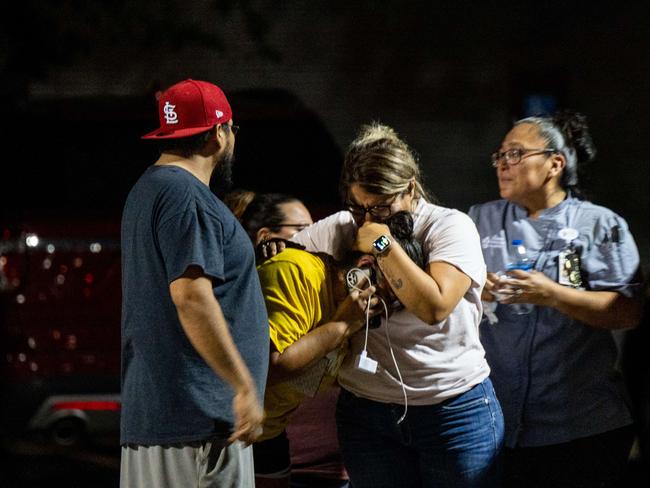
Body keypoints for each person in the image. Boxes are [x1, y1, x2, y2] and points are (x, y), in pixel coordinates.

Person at [291, 123, 504, 488]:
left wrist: (381, 245)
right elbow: (289, 267)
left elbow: (434, 307)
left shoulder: (449, 226)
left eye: (381, 207)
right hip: (367, 412)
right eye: (358, 208)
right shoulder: (341, 226)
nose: (369, 219)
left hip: (452, 411)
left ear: (409, 190)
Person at [468, 110, 644, 488]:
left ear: (554, 164)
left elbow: (628, 312)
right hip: (495, 422)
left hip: (579, 424)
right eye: (499, 155)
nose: (502, 164)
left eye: (515, 154)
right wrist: (471, 288)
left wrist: (553, 295)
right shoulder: (480, 220)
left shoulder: (600, 224)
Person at [120, 79, 268, 488]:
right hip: (201, 422)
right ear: (219, 133)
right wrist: (242, 386)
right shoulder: (186, 196)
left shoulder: (148, 189)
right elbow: (191, 297)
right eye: (232, 128)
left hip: (164, 418)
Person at [255, 210, 425, 488]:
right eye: (389, 293)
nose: (384, 309)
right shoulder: (298, 272)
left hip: (267, 433)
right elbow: (270, 368)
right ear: (365, 265)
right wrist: (341, 326)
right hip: (223, 429)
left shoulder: (354, 319)